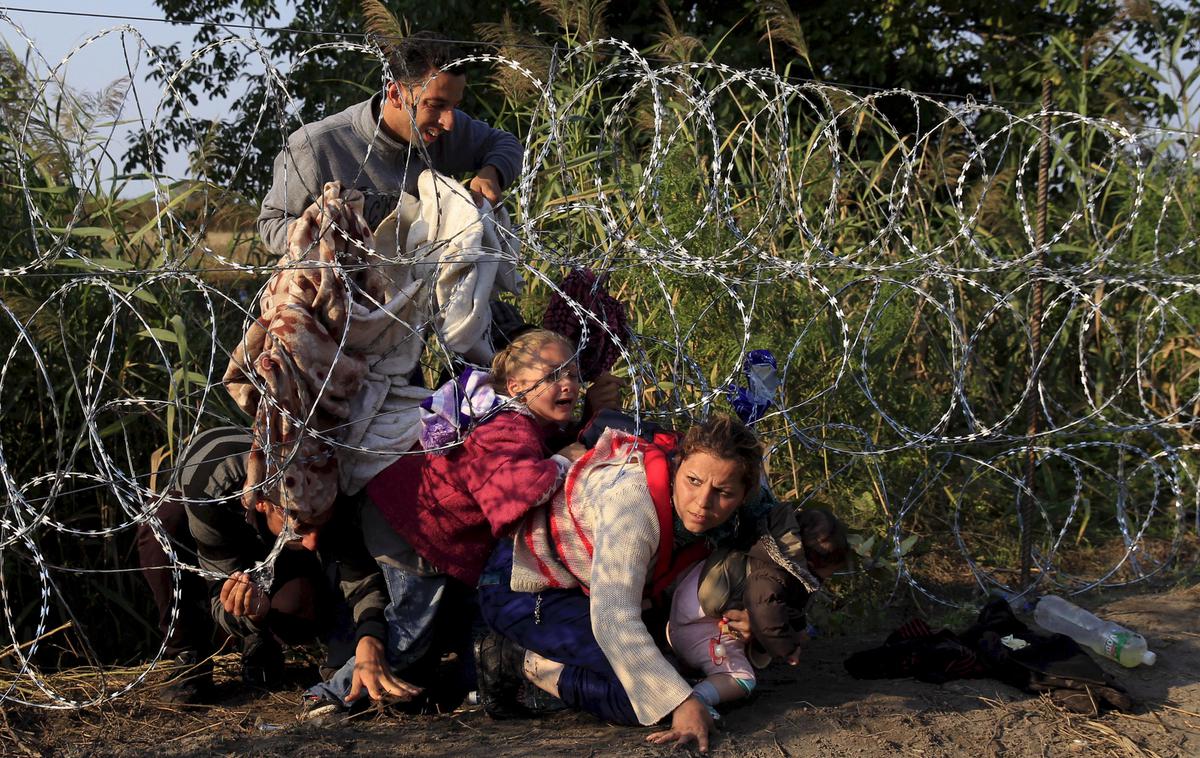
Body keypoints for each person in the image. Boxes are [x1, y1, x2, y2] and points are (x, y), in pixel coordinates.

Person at [302, 329, 617, 717]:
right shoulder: (505, 425)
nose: (568, 383)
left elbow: (539, 449)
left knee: (478, 616)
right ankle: (330, 694)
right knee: (409, 634)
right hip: (414, 528)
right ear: (516, 385)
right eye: (553, 375)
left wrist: (585, 425)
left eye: (572, 374)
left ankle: (474, 686)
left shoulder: (519, 417)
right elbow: (516, 488)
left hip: (418, 519)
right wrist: (563, 462)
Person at [476, 414, 764, 753]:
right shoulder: (633, 503)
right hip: (526, 589)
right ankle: (513, 658)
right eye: (693, 481)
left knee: (664, 676)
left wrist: (749, 621)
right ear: (677, 464)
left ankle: (562, 667)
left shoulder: (738, 520)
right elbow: (613, 618)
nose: (703, 502)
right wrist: (680, 703)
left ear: (745, 495)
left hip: (586, 592)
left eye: (724, 492)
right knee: (642, 699)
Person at [162, 426, 415, 706]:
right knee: (162, 521)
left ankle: (265, 641)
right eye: (302, 526)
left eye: (319, 522)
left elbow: (361, 579)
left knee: (297, 607)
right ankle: (188, 657)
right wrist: (250, 615)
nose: (312, 543)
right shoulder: (209, 485)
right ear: (261, 502)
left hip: (278, 551)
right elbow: (218, 596)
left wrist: (370, 638)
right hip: (214, 525)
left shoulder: (326, 477)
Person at [257, 32, 523, 256]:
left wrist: (492, 173)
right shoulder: (316, 146)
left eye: (455, 106)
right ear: (395, 94)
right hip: (346, 299)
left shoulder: (444, 131)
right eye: (435, 105)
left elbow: (504, 143)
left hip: (422, 296)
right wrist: (330, 235)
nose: (450, 123)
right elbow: (271, 225)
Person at [666, 506, 849, 715]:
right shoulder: (772, 573)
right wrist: (785, 649)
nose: (825, 580)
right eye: (827, 574)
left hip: (679, 623)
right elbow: (765, 611)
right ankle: (696, 701)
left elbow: (791, 608)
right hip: (700, 630)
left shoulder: (763, 547)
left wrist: (798, 629)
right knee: (741, 679)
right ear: (812, 562)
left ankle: (688, 671)